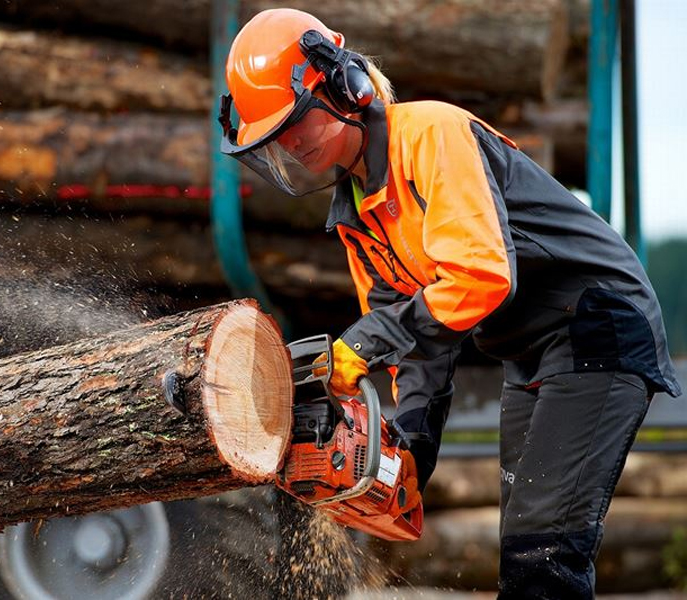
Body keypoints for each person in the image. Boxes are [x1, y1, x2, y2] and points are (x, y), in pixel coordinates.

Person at [217, 8, 682, 599]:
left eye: (293, 122)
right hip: (532, 353)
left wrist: (364, 342)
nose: (289, 142)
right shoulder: (359, 217)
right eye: (272, 137)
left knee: (545, 549)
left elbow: (483, 275)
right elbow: (421, 347)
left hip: (597, 326)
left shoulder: (431, 136)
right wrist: (408, 452)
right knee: (525, 545)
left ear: (341, 87)